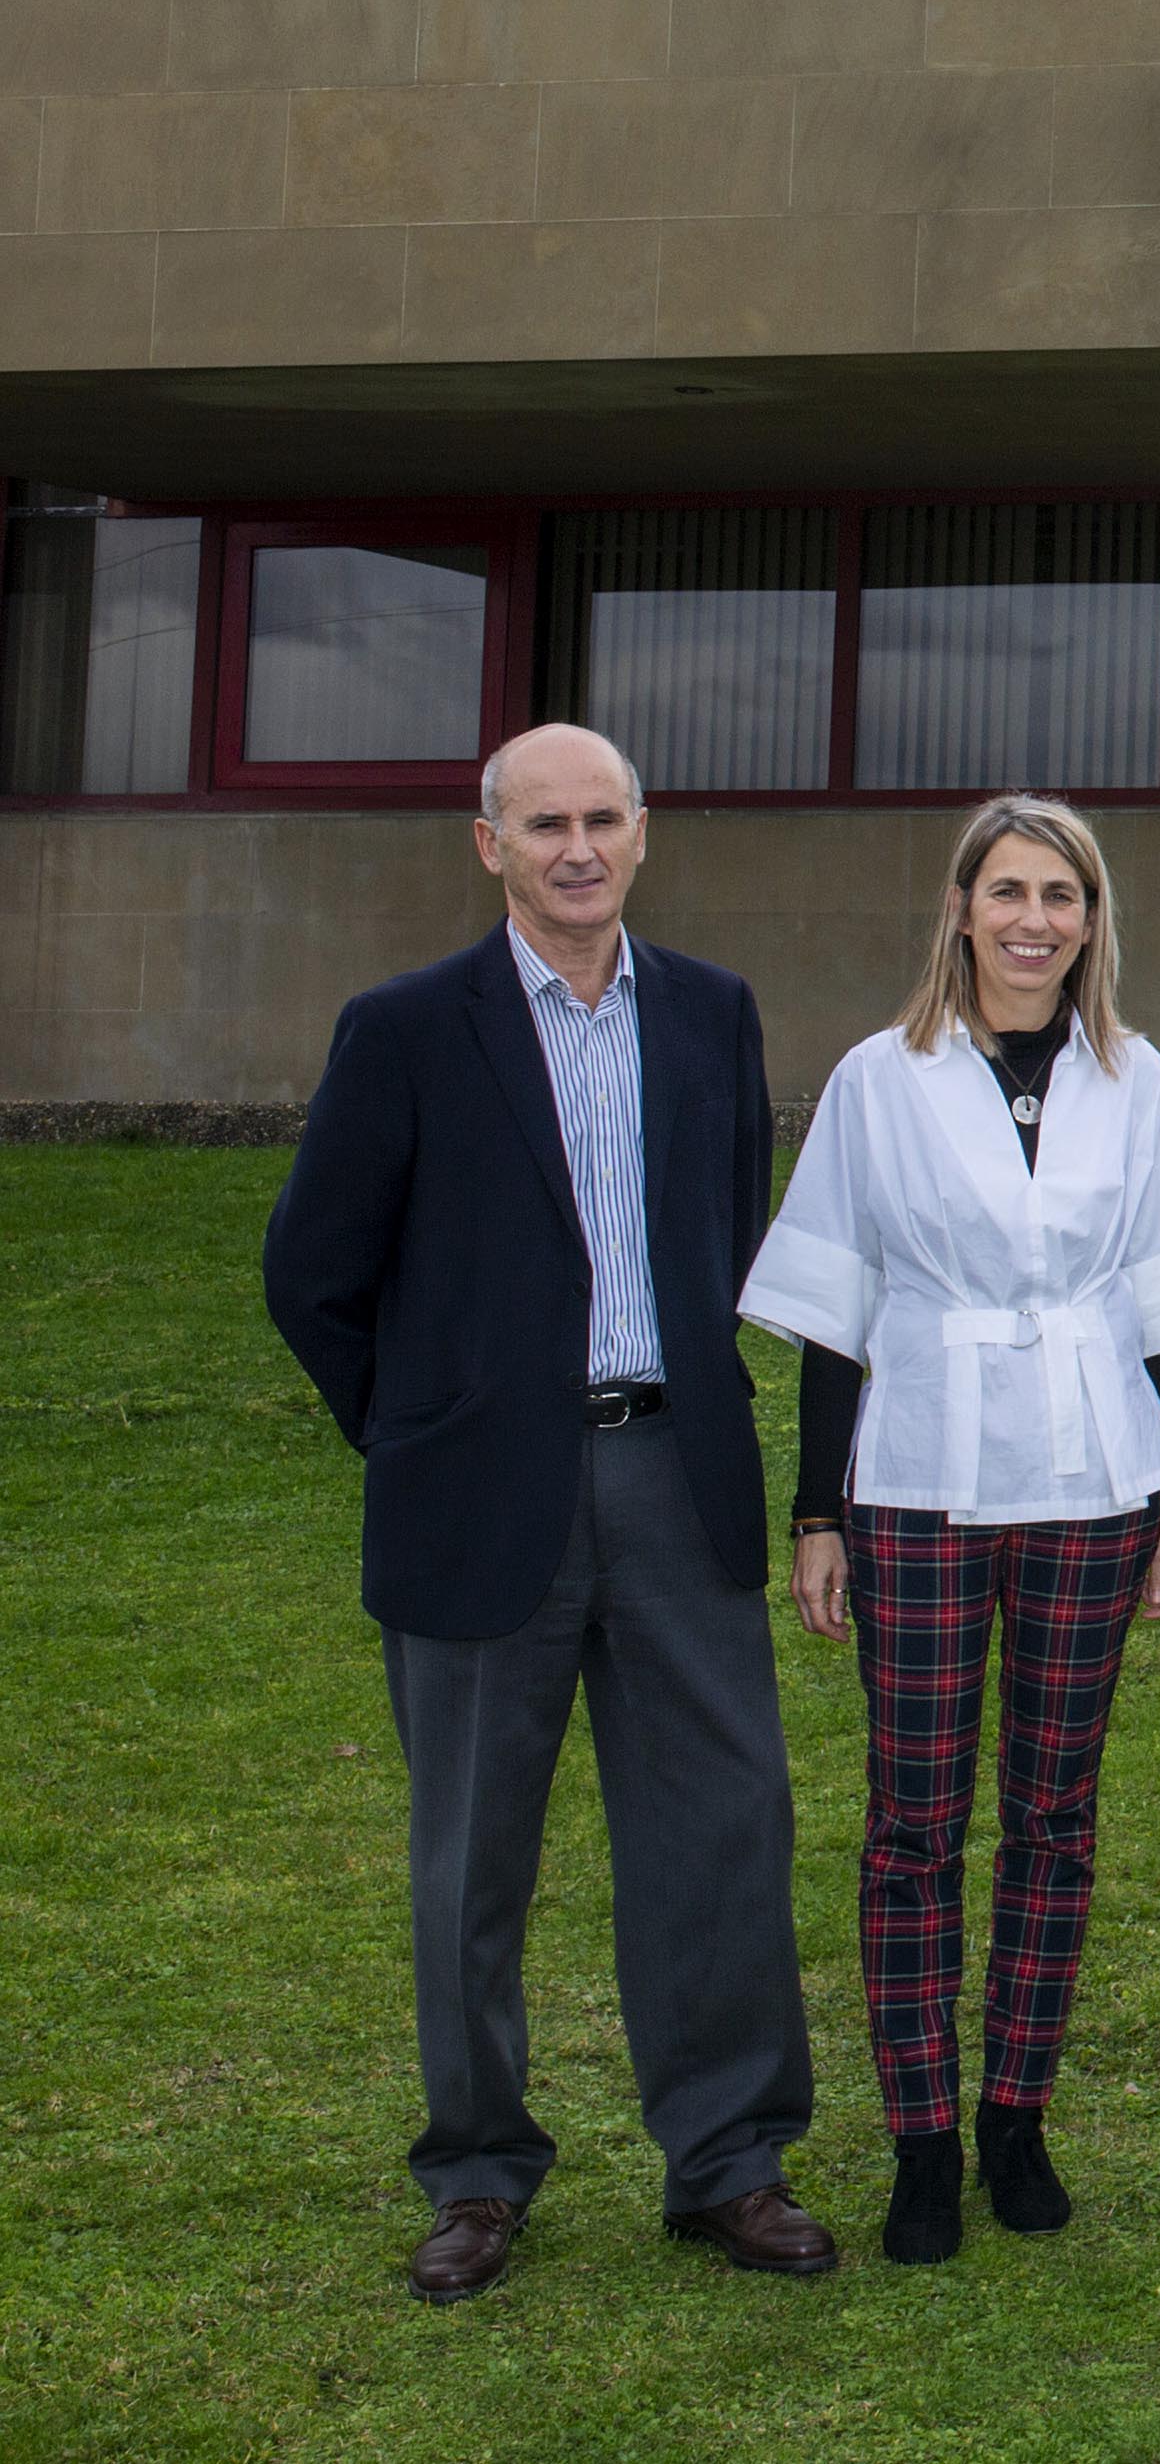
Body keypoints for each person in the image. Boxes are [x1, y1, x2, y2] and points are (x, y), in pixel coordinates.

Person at [260, 722, 833, 2299]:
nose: (577, 849)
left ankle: (729, 2162)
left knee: (720, 1833)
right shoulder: (405, 1029)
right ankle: (477, 2172)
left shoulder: (712, 1013)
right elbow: (313, 1272)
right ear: (490, 845)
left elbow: (724, 1228)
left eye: (601, 820)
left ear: (642, 832)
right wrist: (419, 1430)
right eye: (543, 825)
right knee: (472, 1859)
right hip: (475, 1497)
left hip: (674, 1480)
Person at [743, 795, 1160, 2265]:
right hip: (920, 1471)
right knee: (914, 1821)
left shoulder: (1134, 1076)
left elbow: (1154, 1302)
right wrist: (818, 1511)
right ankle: (922, 2138)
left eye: (1061, 896)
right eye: (1008, 891)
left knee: (1055, 1815)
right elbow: (838, 1306)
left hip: (1091, 1475)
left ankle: (1017, 2116)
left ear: (1092, 918)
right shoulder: (881, 1078)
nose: (1033, 922)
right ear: (960, 908)